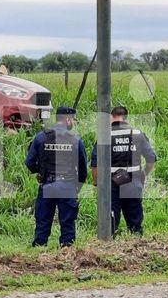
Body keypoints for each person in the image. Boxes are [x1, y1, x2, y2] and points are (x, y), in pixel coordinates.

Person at [25, 106, 87, 247]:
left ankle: (38, 254)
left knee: (42, 223)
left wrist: (41, 172)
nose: (74, 123)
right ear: (68, 119)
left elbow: (29, 163)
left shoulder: (41, 137)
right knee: (68, 225)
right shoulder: (75, 140)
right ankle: (67, 253)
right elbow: (83, 169)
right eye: (74, 120)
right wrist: (77, 187)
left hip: (47, 184)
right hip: (67, 186)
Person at [91, 106, 157, 236]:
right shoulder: (137, 133)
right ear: (126, 118)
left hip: (111, 184)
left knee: (110, 222)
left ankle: (108, 249)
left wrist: (96, 182)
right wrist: (144, 174)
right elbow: (151, 159)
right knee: (135, 222)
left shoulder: (104, 135)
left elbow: (95, 164)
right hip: (133, 181)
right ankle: (136, 247)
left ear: (111, 117)